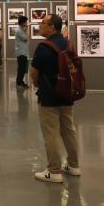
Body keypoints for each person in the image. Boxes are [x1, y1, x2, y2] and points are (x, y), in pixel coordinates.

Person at [30, 13, 80, 183]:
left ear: (52, 27)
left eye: (43, 22)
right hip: (67, 94)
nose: (40, 25)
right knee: (69, 130)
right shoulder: (68, 43)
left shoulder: (43, 47)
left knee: (51, 133)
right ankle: (73, 166)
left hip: (49, 96)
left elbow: (34, 72)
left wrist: (37, 84)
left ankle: (54, 171)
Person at [15, 15, 30, 87]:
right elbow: (26, 38)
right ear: (22, 23)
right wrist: (28, 29)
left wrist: (26, 29)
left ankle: (20, 81)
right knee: (21, 68)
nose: (27, 23)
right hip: (21, 52)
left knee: (22, 67)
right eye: (26, 22)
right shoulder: (19, 31)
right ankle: (19, 82)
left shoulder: (21, 29)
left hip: (23, 51)